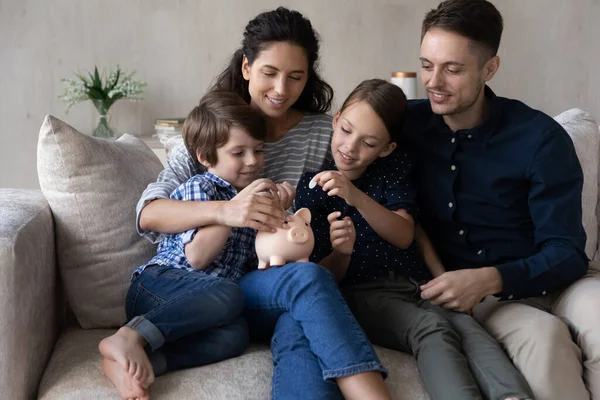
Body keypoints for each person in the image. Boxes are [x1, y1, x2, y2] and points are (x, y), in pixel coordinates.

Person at [134, 7, 391, 400]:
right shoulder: (217, 130)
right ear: (246, 67)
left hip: (277, 282)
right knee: (307, 283)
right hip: (215, 288)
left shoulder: (323, 132)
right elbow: (149, 212)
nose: (282, 89)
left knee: (300, 315)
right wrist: (228, 210)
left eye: (296, 77)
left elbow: (366, 160)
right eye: (270, 72)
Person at [401, 1, 600, 399]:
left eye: (452, 69)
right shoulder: (405, 126)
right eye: (426, 65)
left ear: (489, 69)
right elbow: (343, 133)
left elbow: (567, 252)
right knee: (545, 343)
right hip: (492, 303)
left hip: (561, 283)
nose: (433, 81)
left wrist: (491, 276)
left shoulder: (539, 137)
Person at [296, 78, 533, 400]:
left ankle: (512, 396)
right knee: (431, 329)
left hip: (415, 283)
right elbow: (323, 276)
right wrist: (343, 251)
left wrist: (355, 196)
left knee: (470, 329)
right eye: (347, 130)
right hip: (363, 292)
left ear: (387, 147)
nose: (350, 148)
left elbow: (406, 234)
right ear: (336, 120)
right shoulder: (313, 187)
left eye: (368, 142)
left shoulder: (391, 169)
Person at [99, 91, 265, 399]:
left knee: (236, 334)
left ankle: (134, 366)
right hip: (159, 286)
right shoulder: (201, 187)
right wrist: (232, 211)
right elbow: (199, 257)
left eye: (258, 150)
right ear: (205, 157)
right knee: (229, 293)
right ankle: (131, 334)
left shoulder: (253, 202)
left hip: (196, 308)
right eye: (238, 153)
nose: (253, 161)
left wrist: (280, 215)